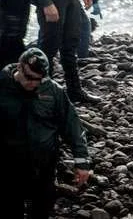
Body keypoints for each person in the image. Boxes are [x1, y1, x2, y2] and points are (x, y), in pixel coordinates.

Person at [0, 49, 91, 218]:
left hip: (44, 167)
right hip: (9, 166)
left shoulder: (54, 91)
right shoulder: (2, 86)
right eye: (29, 77)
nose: (33, 83)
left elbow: (71, 125)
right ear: (19, 66)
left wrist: (82, 161)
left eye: (39, 79)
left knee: (42, 210)